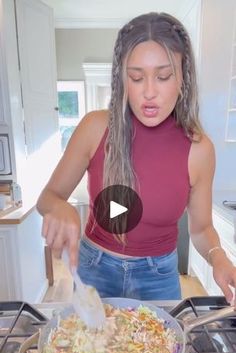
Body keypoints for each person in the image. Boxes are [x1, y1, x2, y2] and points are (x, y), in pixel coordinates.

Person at [37, 12, 236, 302]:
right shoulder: (95, 128)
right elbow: (48, 197)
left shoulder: (199, 150)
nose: (149, 92)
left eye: (164, 76)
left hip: (159, 277)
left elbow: (202, 228)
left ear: (183, 78)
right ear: (122, 80)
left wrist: (219, 258)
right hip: (96, 269)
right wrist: (61, 207)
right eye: (136, 77)